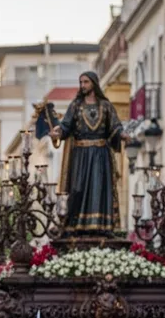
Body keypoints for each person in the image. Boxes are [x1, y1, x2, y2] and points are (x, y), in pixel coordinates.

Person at [51, 71, 125, 235]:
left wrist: (122, 134)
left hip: (101, 156)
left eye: (86, 82)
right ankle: (74, 225)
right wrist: (58, 133)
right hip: (81, 156)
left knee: (99, 188)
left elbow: (115, 126)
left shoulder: (106, 106)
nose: (83, 85)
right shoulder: (76, 105)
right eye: (81, 82)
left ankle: (100, 226)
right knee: (77, 188)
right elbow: (66, 126)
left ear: (94, 83)